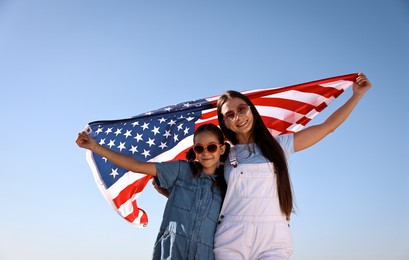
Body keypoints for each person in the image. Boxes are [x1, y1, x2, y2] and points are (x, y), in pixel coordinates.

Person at [213, 73, 372, 259]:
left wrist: (357, 95)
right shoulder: (220, 154)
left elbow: (328, 126)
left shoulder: (279, 146)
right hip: (231, 236)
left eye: (242, 109)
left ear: (251, 110)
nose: (238, 117)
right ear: (224, 123)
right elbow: (185, 182)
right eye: (230, 115)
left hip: (273, 237)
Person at [76, 123, 230, 260]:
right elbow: (135, 166)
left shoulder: (227, 185)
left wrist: (169, 195)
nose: (205, 152)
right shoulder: (181, 170)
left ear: (221, 149)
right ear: (194, 150)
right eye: (199, 148)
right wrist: (94, 146)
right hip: (170, 254)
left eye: (211, 147)